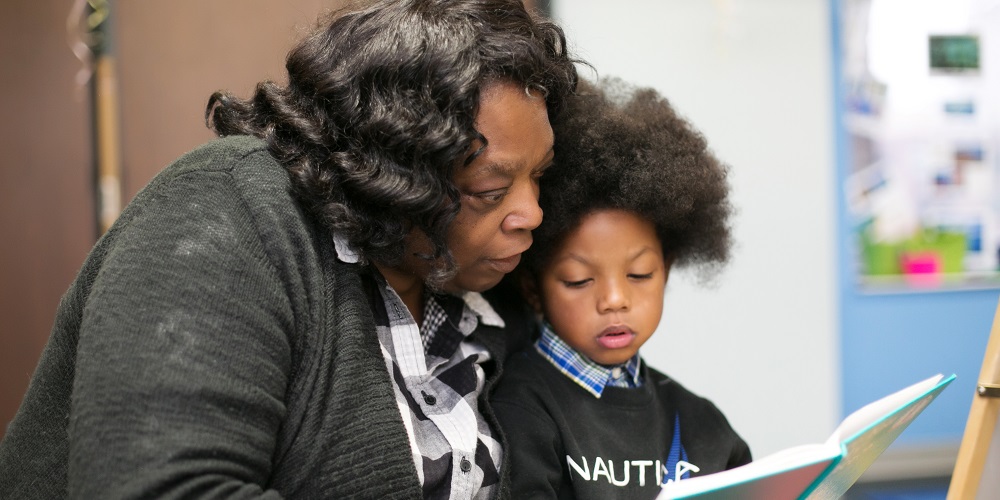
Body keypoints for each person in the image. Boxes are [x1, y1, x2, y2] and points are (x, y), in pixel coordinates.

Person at [0, 1, 578, 498]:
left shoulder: (481, 282)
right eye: (490, 191)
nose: (532, 213)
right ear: (396, 171)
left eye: (540, 177)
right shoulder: (228, 209)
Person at [490, 78, 752, 499]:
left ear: (666, 269)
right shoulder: (522, 408)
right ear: (533, 289)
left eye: (640, 274)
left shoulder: (702, 424)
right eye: (579, 280)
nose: (614, 299)